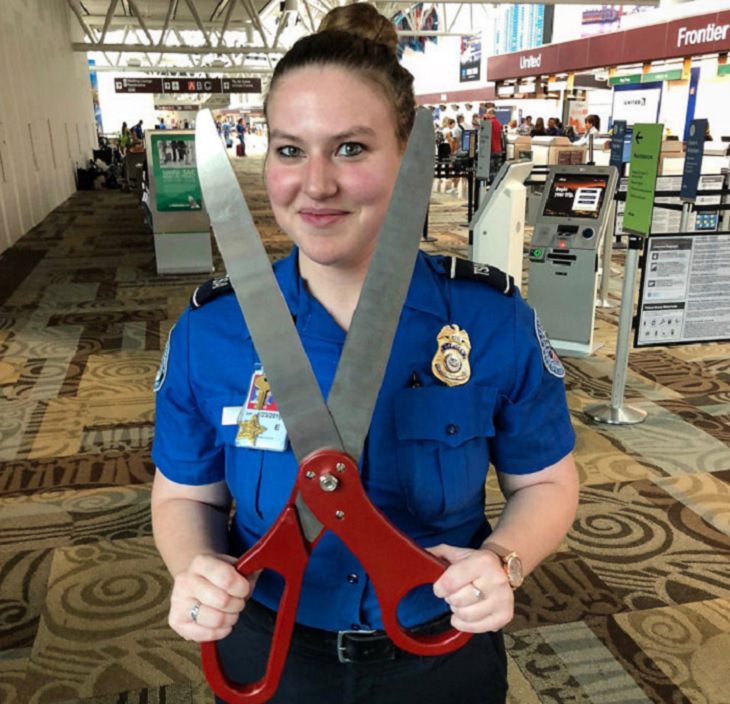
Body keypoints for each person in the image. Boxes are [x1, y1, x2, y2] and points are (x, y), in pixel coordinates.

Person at [150, 5, 579, 704]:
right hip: (272, 645)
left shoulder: (489, 321)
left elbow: (548, 483)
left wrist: (505, 561)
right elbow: (183, 492)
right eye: (290, 150)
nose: (314, 184)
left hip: (439, 650)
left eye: (350, 148)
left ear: (409, 158)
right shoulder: (211, 333)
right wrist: (194, 565)